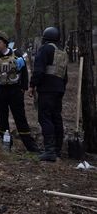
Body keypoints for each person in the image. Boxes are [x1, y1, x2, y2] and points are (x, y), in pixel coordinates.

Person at [0, 31, 39, 152]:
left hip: (15, 91)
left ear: (5, 43)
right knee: (2, 118)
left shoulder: (16, 54)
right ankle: (6, 144)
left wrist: (23, 88)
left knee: (20, 118)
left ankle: (30, 146)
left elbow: (24, 71)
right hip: (0, 92)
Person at [29, 27, 68, 161]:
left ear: (45, 38)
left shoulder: (45, 49)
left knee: (45, 117)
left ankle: (49, 150)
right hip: (59, 89)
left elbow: (39, 70)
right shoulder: (62, 51)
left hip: (46, 89)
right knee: (56, 117)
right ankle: (57, 149)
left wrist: (32, 85)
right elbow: (65, 75)